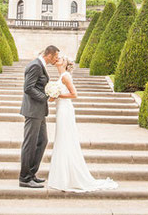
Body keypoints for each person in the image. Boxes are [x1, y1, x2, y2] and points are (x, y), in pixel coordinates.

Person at [47, 55, 118, 192]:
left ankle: (68, 178)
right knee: (62, 140)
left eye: (61, 59)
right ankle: (63, 177)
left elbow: (74, 94)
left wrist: (58, 95)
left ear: (66, 63)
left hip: (65, 110)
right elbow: (55, 97)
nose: (57, 60)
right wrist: (51, 95)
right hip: (61, 109)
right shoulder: (61, 76)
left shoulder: (66, 76)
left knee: (65, 140)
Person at [18, 45, 58, 188]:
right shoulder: (35, 65)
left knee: (42, 141)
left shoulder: (40, 65)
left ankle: (32, 173)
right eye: (56, 57)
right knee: (30, 143)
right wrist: (45, 97)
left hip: (39, 111)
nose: (57, 59)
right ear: (49, 55)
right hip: (33, 111)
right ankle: (24, 178)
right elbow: (28, 88)